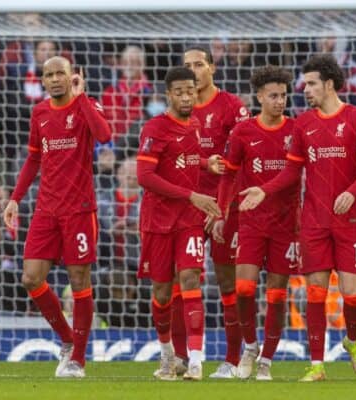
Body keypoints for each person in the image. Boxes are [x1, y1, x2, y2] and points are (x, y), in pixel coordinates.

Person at [240, 55, 356, 381]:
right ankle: (317, 365)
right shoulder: (303, 124)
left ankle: (351, 341)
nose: (304, 89)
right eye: (305, 83)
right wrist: (263, 191)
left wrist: (352, 193)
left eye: (311, 83)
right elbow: (290, 172)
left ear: (328, 84)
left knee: (353, 295)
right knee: (315, 291)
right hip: (313, 220)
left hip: (349, 220)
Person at [2, 56, 112, 378]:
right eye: (47, 75)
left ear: (73, 75)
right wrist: (14, 199)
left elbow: (104, 136)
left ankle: (78, 358)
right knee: (31, 278)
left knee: (79, 280)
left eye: (59, 73)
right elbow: (33, 159)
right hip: (46, 209)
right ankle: (68, 339)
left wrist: (82, 99)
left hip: (79, 210)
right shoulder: (39, 113)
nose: (53, 79)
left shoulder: (87, 106)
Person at [136, 66, 222, 381]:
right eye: (180, 92)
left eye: (191, 91)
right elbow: (145, 176)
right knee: (161, 293)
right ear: (169, 94)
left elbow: (181, 160)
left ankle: (197, 360)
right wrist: (191, 195)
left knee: (190, 279)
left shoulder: (195, 124)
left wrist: (205, 163)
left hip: (188, 220)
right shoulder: (155, 128)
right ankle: (168, 355)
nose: (187, 97)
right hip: (158, 220)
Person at [213, 66, 297, 380]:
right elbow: (228, 175)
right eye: (273, 95)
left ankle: (267, 362)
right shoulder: (243, 132)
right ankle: (250, 346)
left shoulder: (295, 131)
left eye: (284, 95)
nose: (279, 101)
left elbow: (298, 175)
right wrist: (222, 213)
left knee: (276, 292)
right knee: (244, 289)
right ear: (260, 96)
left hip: (287, 224)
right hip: (250, 223)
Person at [180, 46, 250, 379]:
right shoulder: (179, 108)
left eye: (198, 64)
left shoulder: (233, 108)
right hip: (190, 205)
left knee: (227, 282)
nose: (193, 70)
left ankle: (234, 358)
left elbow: (240, 163)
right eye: (187, 66)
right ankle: (187, 356)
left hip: (225, 207)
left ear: (212, 68)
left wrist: (222, 208)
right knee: (185, 278)